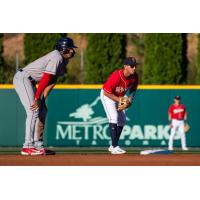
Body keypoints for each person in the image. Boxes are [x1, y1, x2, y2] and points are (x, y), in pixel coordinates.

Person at [13, 37, 77, 155]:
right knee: (33, 110)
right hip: (23, 79)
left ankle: (38, 145)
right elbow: (46, 78)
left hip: (31, 82)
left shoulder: (63, 60)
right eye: (70, 48)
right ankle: (27, 146)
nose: (72, 51)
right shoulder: (56, 57)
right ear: (63, 49)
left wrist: (42, 99)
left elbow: (52, 80)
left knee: (42, 111)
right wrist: (37, 98)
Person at [100, 57, 139, 154]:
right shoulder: (116, 76)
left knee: (122, 120)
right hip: (108, 96)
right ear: (125, 66)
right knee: (114, 117)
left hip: (119, 96)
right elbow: (106, 92)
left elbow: (133, 89)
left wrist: (130, 99)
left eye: (135, 66)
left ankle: (113, 145)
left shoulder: (134, 76)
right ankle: (115, 146)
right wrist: (120, 100)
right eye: (132, 66)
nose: (134, 68)